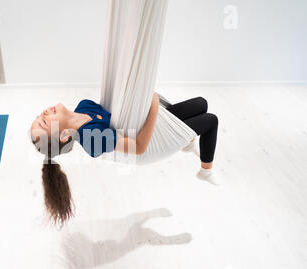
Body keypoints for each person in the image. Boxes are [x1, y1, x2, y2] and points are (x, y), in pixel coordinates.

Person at [30, 92, 220, 225]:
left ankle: (185, 143)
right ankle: (205, 170)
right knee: (211, 120)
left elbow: (120, 108)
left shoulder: (84, 106)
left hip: (144, 127)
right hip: (148, 146)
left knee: (201, 103)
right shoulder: (91, 138)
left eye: (40, 116)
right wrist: (152, 106)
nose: (44, 113)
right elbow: (138, 147)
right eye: (45, 122)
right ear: (63, 136)